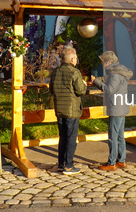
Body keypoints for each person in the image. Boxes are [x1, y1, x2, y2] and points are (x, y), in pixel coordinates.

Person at [49, 46, 87, 175]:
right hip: (72, 110)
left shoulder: (55, 72)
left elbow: (51, 90)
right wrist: (85, 85)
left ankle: (61, 163)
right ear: (72, 59)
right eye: (75, 58)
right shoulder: (75, 72)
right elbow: (81, 91)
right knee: (71, 138)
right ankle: (69, 166)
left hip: (59, 109)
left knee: (63, 137)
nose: (76, 60)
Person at [92, 51, 132, 170]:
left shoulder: (114, 74)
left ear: (109, 62)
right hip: (121, 107)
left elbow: (109, 90)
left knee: (113, 136)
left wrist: (95, 82)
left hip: (116, 108)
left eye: (103, 61)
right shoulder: (120, 71)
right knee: (120, 135)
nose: (102, 64)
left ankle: (111, 163)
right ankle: (121, 160)